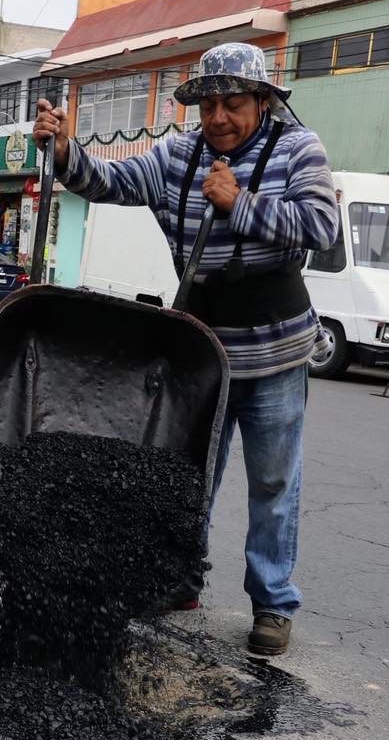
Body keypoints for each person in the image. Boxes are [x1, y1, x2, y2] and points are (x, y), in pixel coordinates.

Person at [32, 42, 338, 656]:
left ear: (262, 103)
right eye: (209, 105)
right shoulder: (177, 156)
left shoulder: (299, 151)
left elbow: (322, 229)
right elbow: (108, 181)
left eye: (233, 104)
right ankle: (180, 579)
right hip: (202, 349)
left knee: (275, 484)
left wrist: (240, 205)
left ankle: (273, 604)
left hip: (275, 349)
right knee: (188, 476)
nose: (219, 117)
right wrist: (63, 151)